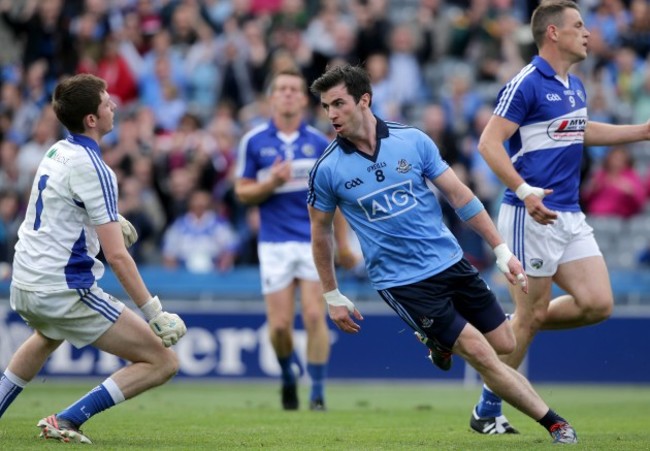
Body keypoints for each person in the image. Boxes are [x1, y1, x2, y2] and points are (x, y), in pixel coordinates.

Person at [307, 63, 577, 445]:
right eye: (325, 107)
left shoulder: (412, 140)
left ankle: (435, 341)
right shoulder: (327, 169)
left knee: (505, 345)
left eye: (338, 103)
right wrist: (332, 295)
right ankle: (555, 423)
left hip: (450, 262)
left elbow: (460, 196)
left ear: (363, 100)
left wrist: (500, 251)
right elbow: (320, 235)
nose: (331, 114)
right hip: (402, 282)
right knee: (483, 355)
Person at [471, 0, 650, 435]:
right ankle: (487, 410)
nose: (588, 33)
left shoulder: (573, 84)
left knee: (597, 303)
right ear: (553, 33)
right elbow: (489, 144)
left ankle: (490, 333)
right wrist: (524, 190)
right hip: (529, 215)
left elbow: (581, 131)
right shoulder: (527, 82)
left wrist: (642, 131)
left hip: (568, 214)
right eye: (578, 25)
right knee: (528, 318)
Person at [0, 74, 187, 444]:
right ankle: (67, 419)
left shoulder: (56, 151)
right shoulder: (96, 166)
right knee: (163, 362)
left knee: (46, 335)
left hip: (23, 281)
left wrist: (112, 221)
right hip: (63, 288)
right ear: (91, 119)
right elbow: (117, 256)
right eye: (106, 103)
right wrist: (154, 313)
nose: (113, 107)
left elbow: (64, 208)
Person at [234, 68, 356, 412]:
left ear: (304, 99)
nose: (288, 94)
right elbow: (243, 193)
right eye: (281, 89)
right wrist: (270, 183)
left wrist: (343, 244)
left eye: (294, 90)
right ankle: (289, 375)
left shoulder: (320, 143)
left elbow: (338, 199)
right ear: (272, 98)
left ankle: (316, 392)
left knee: (316, 317)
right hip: (273, 243)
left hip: (312, 242)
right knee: (279, 328)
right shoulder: (254, 141)